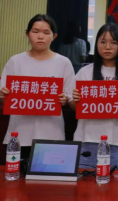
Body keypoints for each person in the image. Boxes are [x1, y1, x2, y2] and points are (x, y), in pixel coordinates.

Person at [69, 23, 118, 171]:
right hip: (87, 139)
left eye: (113, 43)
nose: (108, 47)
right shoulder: (85, 72)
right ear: (96, 44)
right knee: (85, 184)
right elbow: (72, 103)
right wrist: (76, 101)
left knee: (116, 184)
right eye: (103, 42)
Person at [0, 14, 74, 158]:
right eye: (35, 32)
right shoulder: (15, 61)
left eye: (46, 32)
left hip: (52, 134)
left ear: (54, 36)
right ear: (27, 34)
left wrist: (64, 99)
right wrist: (4, 96)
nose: (40, 36)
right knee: (16, 172)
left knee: (48, 173)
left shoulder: (63, 63)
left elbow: (70, 98)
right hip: (19, 135)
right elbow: (3, 99)